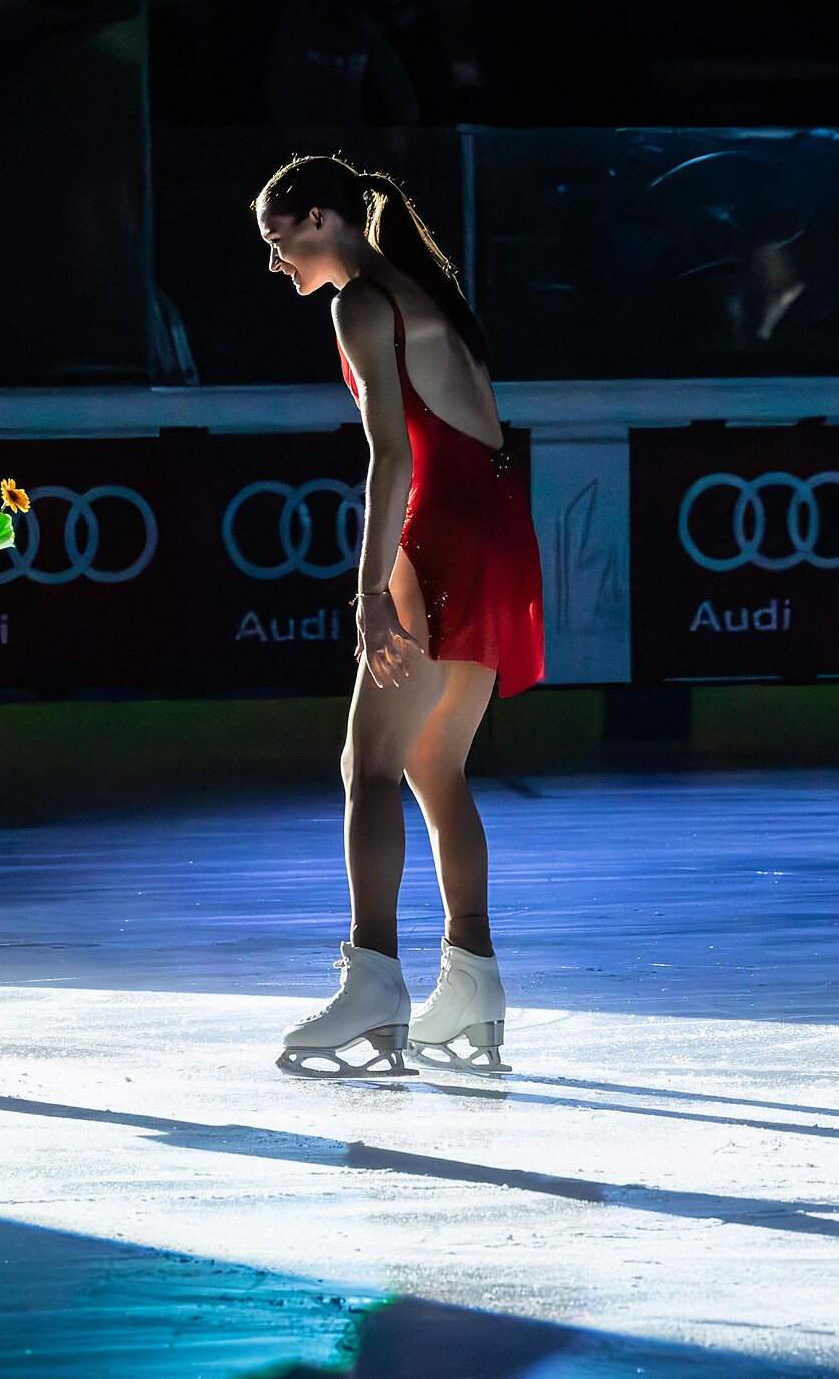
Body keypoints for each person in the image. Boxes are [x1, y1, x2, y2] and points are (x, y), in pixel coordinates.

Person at [256, 156, 543, 1078]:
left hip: (448, 533)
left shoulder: (362, 300)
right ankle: (473, 981)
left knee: (367, 764)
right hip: (500, 529)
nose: (276, 265)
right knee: (433, 763)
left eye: (279, 241)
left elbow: (392, 459)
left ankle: (373, 978)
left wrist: (371, 591)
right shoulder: (420, 288)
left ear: (321, 220)